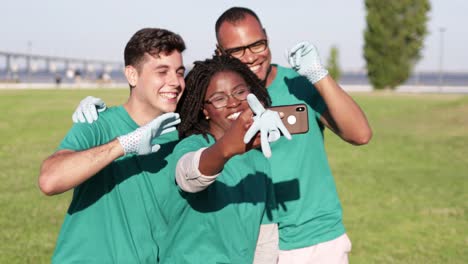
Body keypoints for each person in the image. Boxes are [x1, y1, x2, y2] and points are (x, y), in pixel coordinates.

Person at [214, 7, 372, 263]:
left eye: (257, 44)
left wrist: (318, 76)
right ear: (220, 52)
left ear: (267, 37)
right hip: (251, 243)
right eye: (237, 50)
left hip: (316, 241)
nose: (251, 57)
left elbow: (360, 134)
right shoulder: (215, 100)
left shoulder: (297, 84)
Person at [38, 28, 186, 263]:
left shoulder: (184, 135)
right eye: (162, 71)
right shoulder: (97, 123)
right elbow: (50, 180)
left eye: (180, 72)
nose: (175, 82)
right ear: (132, 75)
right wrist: (125, 144)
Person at [158, 54, 280, 264]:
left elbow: (265, 240)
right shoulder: (193, 145)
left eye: (240, 93)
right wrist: (226, 148)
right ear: (205, 110)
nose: (233, 103)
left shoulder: (260, 161)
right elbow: (189, 176)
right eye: (219, 98)